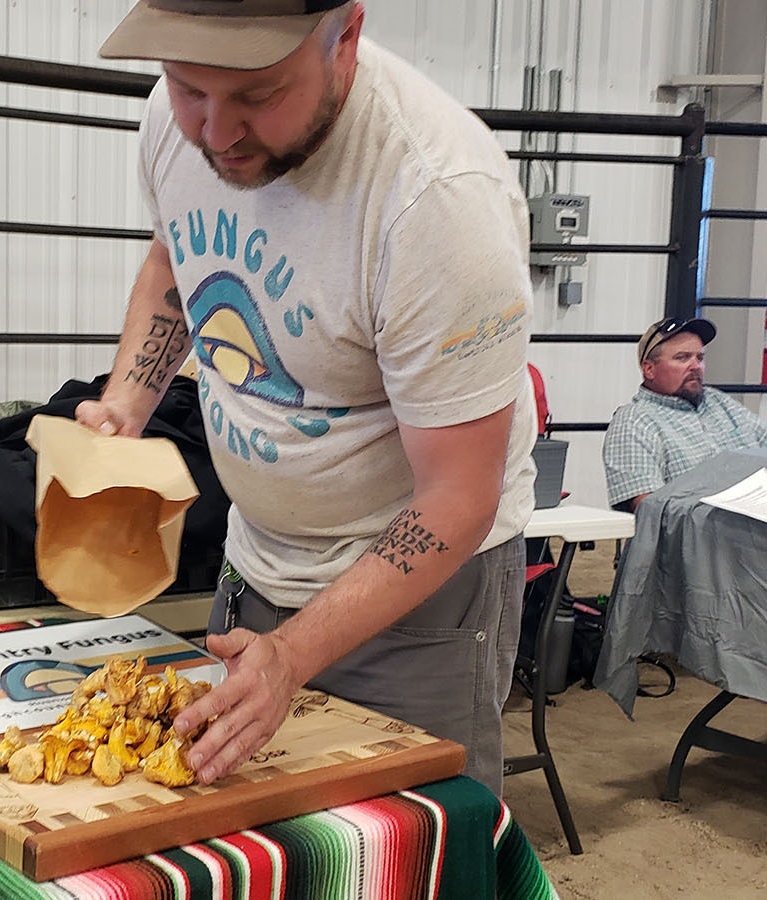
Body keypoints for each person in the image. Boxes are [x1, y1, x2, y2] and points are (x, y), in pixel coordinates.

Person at [81, 0, 537, 795]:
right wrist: (129, 401)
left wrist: (292, 656)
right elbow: (174, 257)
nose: (217, 132)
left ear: (346, 37)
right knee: (245, 841)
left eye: (257, 96)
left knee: (413, 848)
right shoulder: (178, 116)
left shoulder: (436, 199)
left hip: (415, 602)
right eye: (190, 89)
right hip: (255, 562)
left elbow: (460, 497)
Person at [603, 316, 767, 511]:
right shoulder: (634, 421)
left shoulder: (719, 402)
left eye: (700, 358)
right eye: (682, 358)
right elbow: (650, 509)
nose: (695, 366)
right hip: (702, 532)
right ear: (649, 369)